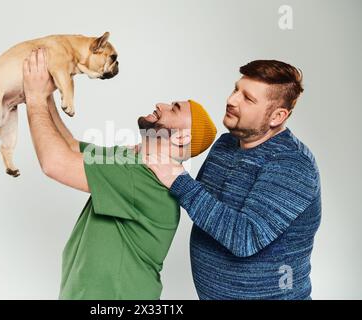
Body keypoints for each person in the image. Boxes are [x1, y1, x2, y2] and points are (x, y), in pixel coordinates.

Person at [22, 48, 217, 299]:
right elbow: (69, 146)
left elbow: (54, 163)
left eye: (175, 109)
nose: (161, 104)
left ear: (183, 137)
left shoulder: (144, 178)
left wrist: (35, 98)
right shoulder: (131, 160)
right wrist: (46, 94)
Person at [147, 60, 321, 300]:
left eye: (248, 98)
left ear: (277, 116)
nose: (232, 100)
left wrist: (177, 177)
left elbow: (244, 238)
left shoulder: (292, 164)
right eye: (236, 89)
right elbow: (203, 206)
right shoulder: (226, 144)